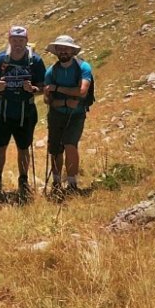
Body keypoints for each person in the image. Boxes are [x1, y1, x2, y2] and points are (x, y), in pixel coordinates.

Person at [0, 25, 47, 202]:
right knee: (0, 147)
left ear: (26, 41)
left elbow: (44, 87)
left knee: (24, 147)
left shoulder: (35, 61)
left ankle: (23, 181)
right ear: (9, 40)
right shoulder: (0, 60)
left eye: (21, 40)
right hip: (3, 110)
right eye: (14, 40)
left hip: (25, 111)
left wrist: (34, 89)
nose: (18, 44)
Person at [43, 35, 94, 196]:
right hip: (57, 114)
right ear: (56, 51)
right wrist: (65, 101)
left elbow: (82, 92)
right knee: (55, 149)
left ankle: (72, 183)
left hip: (76, 114)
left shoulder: (83, 67)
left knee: (70, 144)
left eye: (66, 48)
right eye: (60, 48)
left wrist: (57, 89)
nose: (63, 51)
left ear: (73, 50)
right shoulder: (51, 71)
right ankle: (57, 182)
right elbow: (47, 99)